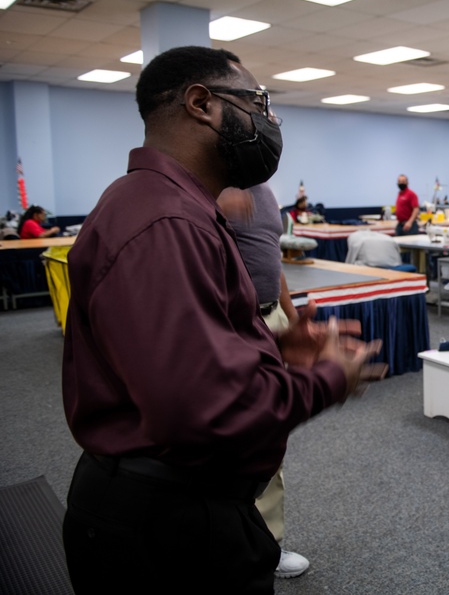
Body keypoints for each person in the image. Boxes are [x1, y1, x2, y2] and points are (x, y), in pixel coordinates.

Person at [61, 45, 386, 594]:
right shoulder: (164, 223)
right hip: (166, 529)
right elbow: (205, 412)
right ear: (200, 103)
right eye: (258, 102)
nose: (269, 120)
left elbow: (177, 355)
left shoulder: (173, 208)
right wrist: (331, 378)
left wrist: (277, 349)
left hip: (177, 510)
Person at [217, 184, 310, 579]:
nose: (271, 120)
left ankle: (267, 545)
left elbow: (272, 260)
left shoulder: (266, 194)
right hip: (229, 325)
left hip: (270, 317)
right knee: (225, 437)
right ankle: (223, 544)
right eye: (264, 115)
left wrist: (290, 316)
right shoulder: (203, 186)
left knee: (269, 437)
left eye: (273, 115)